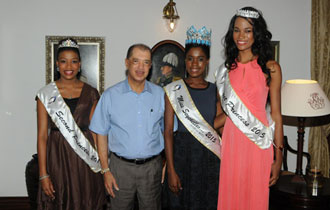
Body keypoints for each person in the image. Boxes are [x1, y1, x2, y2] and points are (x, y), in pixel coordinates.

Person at [215, 7, 283, 210]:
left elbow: (277, 116)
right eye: (236, 30)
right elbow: (218, 118)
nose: (241, 36)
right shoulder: (224, 72)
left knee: (255, 200)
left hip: (258, 145)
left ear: (257, 33)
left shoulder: (271, 68)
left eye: (247, 30)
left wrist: (278, 158)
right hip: (232, 145)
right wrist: (228, 125)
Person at [89, 43, 165, 210]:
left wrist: (165, 164)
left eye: (146, 62)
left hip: (152, 169)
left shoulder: (160, 95)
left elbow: (168, 132)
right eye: (136, 61)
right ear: (127, 63)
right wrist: (105, 170)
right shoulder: (110, 95)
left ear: (151, 66)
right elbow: (101, 133)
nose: (140, 67)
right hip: (119, 169)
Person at [36, 38, 106, 210]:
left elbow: (97, 132)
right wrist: (43, 174)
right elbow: (42, 136)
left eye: (74, 61)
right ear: (57, 64)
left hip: (85, 157)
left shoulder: (91, 93)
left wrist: (103, 167)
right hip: (57, 157)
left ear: (80, 64)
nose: (69, 66)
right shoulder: (45, 94)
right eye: (64, 61)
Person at [163, 25, 222, 210]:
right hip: (181, 157)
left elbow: (218, 126)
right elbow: (168, 133)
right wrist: (171, 169)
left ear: (207, 62)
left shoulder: (215, 91)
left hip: (209, 159)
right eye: (190, 59)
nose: (194, 64)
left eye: (200, 59)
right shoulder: (174, 90)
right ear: (185, 61)